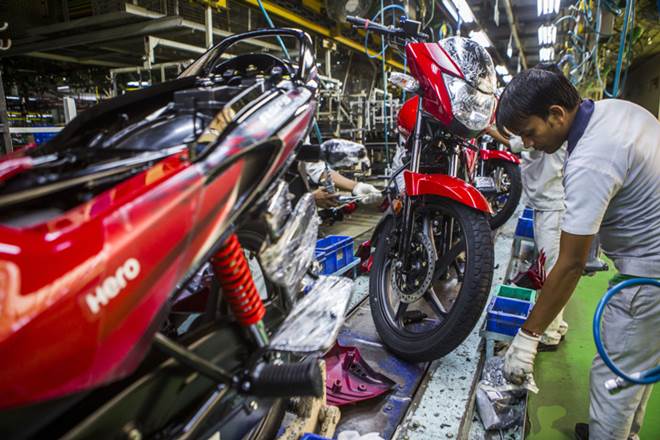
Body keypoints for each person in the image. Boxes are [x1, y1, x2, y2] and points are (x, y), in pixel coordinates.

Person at [496, 67, 660, 439]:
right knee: (637, 368)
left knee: (614, 376)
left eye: (530, 132)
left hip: (649, 277)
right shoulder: (616, 111)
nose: (528, 143)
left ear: (556, 114)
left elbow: (571, 264)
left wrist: (528, 337)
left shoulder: (590, 160)